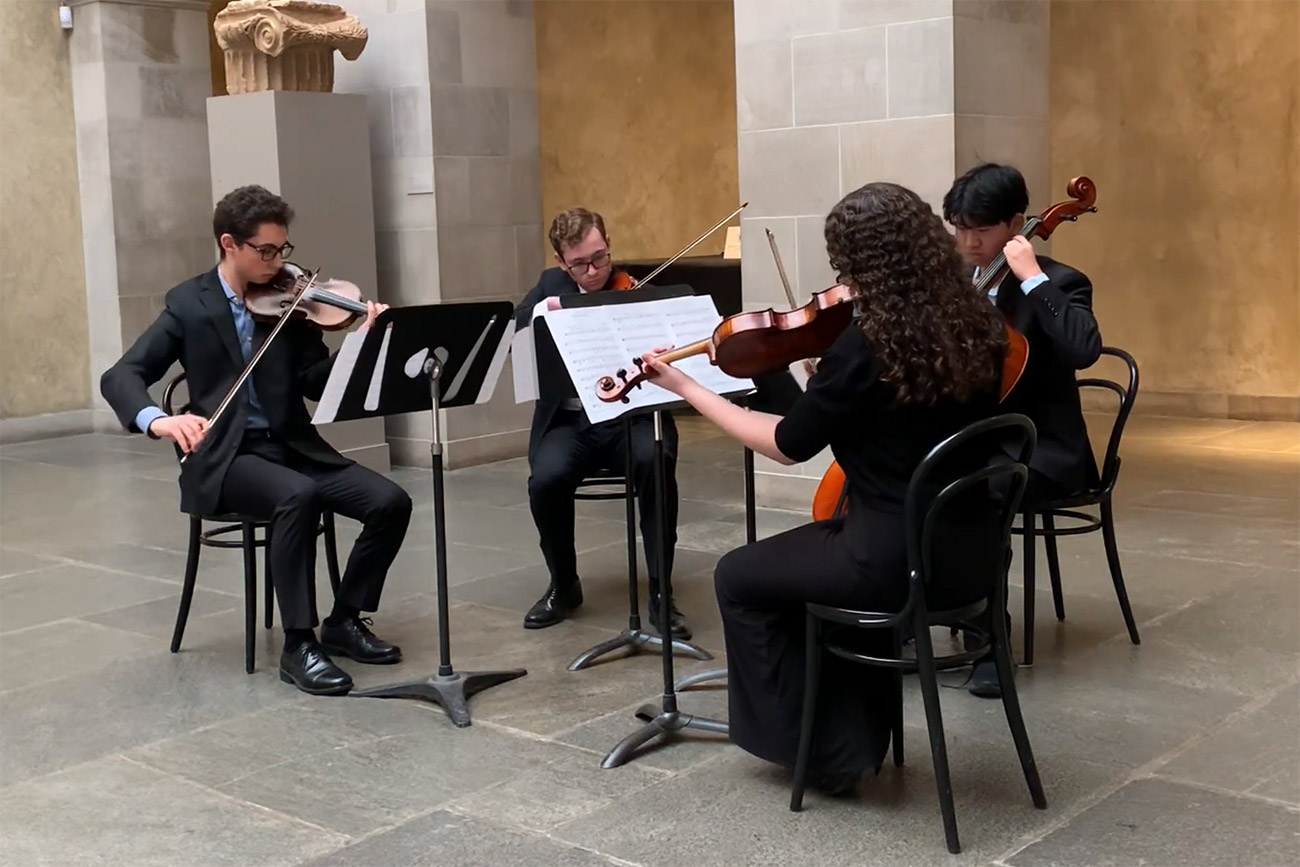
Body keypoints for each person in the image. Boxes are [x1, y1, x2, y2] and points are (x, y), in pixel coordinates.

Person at [637, 182, 1008, 795]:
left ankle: (819, 751)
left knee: (740, 576)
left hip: (891, 558)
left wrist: (688, 390)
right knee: (809, 562)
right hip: (970, 552)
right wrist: (829, 382)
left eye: (845, 266)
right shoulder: (978, 323)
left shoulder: (866, 347)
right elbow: (900, 414)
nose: (841, 280)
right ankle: (851, 739)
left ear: (864, 264)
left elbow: (788, 444)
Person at [100, 184, 413, 697]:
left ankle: (345, 619)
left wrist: (361, 342)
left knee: (389, 502)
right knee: (298, 496)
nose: (279, 263)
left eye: (282, 250)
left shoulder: (292, 303)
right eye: (265, 251)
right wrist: (159, 420)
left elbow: (315, 383)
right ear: (230, 244)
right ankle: (298, 644)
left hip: (292, 446)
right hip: (226, 458)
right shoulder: (190, 304)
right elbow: (122, 375)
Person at [943, 162, 1103, 696]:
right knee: (904, 471)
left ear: (1015, 224)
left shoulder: (1059, 282)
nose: (967, 243)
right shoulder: (953, 283)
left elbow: (1084, 350)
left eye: (980, 230)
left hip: (1038, 447)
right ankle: (911, 604)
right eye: (959, 228)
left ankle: (988, 639)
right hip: (968, 438)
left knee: (979, 488)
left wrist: (1031, 277)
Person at [513, 207, 690, 639]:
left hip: (632, 415)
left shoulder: (633, 289)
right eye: (580, 264)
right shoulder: (550, 285)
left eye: (601, 258)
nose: (593, 271)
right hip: (571, 421)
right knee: (546, 480)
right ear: (561, 261)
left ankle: (661, 591)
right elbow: (518, 326)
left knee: (656, 459)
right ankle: (564, 584)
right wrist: (548, 309)